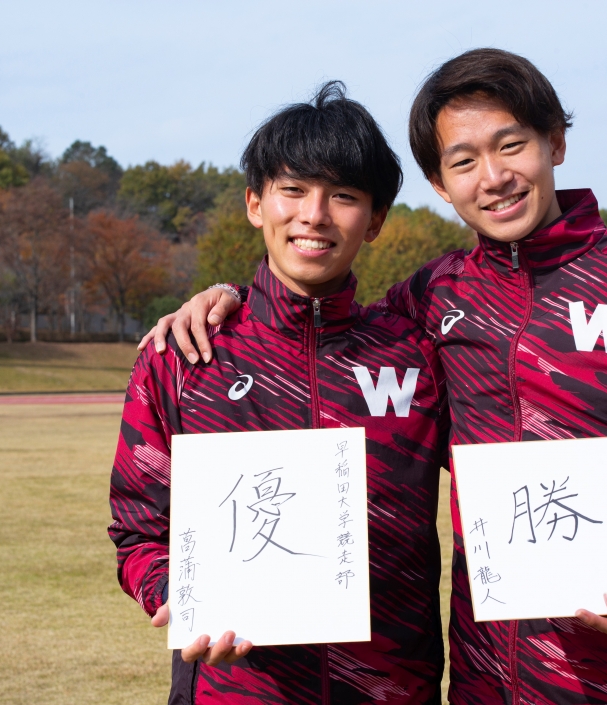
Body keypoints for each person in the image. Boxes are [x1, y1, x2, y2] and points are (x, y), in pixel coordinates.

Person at [144, 49, 607, 704]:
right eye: (464, 161)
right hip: (485, 685)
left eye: (512, 146)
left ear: (556, 142)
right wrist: (227, 297)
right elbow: (317, 323)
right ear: (440, 185)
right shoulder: (430, 299)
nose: (495, 177)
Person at [110, 82, 450, 704]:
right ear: (254, 204)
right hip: (233, 689)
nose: (314, 215)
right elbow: (138, 528)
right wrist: (178, 597)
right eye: (292, 190)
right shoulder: (184, 355)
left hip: (393, 689)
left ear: (374, 221)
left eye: (343, 196)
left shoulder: (419, 354)